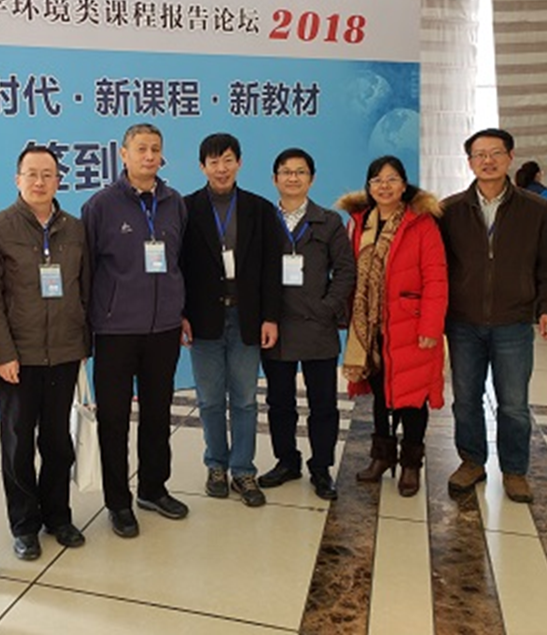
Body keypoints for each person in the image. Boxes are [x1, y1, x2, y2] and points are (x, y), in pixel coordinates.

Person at [441, 129, 547, 503]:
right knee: (466, 399)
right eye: (479, 154)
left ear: (510, 157)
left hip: (513, 321)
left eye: (495, 153)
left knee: (513, 403)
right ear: (469, 162)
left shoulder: (535, 208)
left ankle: (514, 470)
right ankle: (471, 461)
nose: (488, 161)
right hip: (463, 322)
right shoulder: (450, 210)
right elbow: (438, 268)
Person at [0, 146, 91, 561]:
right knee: (18, 443)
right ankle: (24, 525)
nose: (39, 182)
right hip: (18, 357)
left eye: (48, 174)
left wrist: (83, 344)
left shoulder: (76, 229)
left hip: (64, 351)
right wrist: (2, 353)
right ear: (17, 179)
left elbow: (85, 288)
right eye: (31, 174)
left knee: (58, 441)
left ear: (59, 180)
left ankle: (58, 516)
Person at [81, 123, 189, 538]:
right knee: (114, 419)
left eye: (155, 149)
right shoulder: (100, 206)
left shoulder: (174, 203)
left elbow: (180, 261)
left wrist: (181, 310)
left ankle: (153, 488)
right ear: (123, 154)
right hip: (115, 330)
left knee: (158, 413)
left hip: (163, 328)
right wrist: (89, 326)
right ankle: (118, 502)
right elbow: (87, 271)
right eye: (141, 148)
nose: (149, 156)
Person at [180, 132, 281, 507]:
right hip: (203, 318)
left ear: (239, 163)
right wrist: (181, 315)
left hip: (247, 317)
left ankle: (243, 470)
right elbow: (178, 268)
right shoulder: (186, 208)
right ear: (202, 167)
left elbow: (271, 268)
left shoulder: (259, 208)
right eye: (213, 162)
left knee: (245, 399)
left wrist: (270, 317)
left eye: (227, 160)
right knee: (209, 400)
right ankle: (216, 466)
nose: (221, 168)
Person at [337, 156, 448, 497]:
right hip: (371, 329)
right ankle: (382, 457)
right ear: (369, 187)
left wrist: (431, 326)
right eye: (377, 180)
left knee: (412, 400)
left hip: (410, 327)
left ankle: (411, 464)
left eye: (392, 179)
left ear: (404, 185)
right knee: (381, 397)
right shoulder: (359, 223)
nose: (384, 186)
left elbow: (436, 277)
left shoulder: (421, 223)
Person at [259, 148, 356, 501]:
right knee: (279, 402)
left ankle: (321, 468)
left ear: (312, 179)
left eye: (300, 172)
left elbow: (345, 270)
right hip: (276, 326)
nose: (293, 178)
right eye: (286, 172)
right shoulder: (263, 219)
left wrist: (328, 307)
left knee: (323, 404)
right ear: (275, 179)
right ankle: (287, 461)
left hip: (318, 326)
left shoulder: (328, 221)